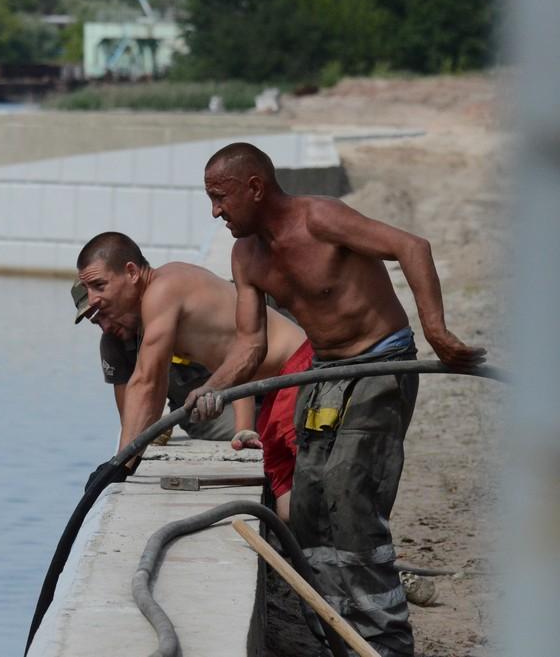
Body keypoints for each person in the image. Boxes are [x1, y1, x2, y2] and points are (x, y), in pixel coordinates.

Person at [188, 142, 486, 657]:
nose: (215, 211)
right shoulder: (246, 256)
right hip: (323, 373)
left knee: (351, 492)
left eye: (220, 197)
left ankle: (385, 643)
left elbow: (412, 246)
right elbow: (251, 344)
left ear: (254, 188)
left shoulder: (320, 218)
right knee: (307, 504)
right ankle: (338, 634)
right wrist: (212, 386)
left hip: (380, 363)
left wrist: (436, 332)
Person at [76, 233, 309, 513]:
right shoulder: (154, 302)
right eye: (87, 289)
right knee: (285, 500)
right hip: (276, 386)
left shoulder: (162, 290)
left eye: (99, 286)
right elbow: (155, 388)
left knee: (309, 484)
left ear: (131, 272)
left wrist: (120, 464)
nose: (93, 299)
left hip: (298, 371)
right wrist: (126, 461)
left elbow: (146, 382)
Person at [70, 279, 245, 445]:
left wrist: (244, 432)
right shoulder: (114, 342)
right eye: (96, 321)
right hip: (207, 411)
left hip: (245, 377)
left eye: (104, 312)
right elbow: (129, 419)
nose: (106, 326)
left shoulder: (179, 303)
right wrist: (148, 430)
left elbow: (242, 353)